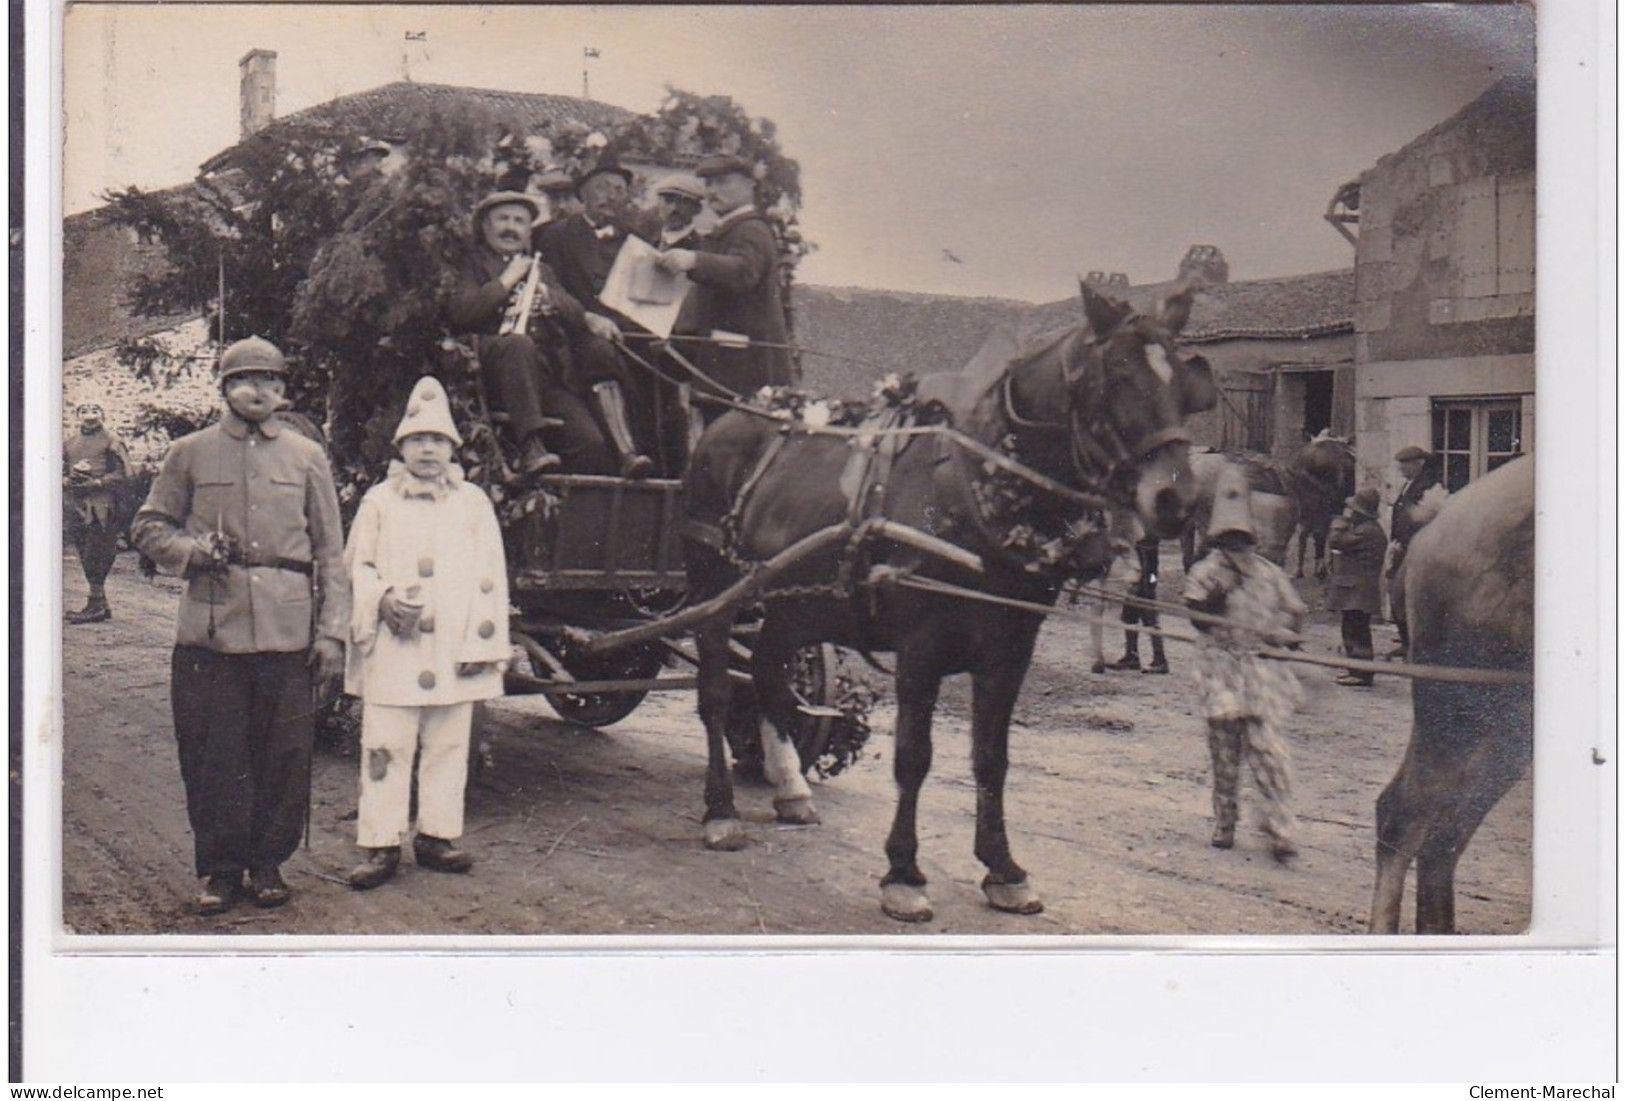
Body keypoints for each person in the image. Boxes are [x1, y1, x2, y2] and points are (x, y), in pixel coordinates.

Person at [131, 337, 348, 915]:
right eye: (245, 380)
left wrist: (332, 632)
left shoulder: (306, 457)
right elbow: (149, 527)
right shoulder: (190, 453)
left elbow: (331, 554)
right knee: (214, 755)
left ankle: (268, 863)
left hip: (288, 630)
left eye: (270, 381)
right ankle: (221, 869)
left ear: (283, 392)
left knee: (283, 754)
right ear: (223, 388)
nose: (258, 390)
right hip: (211, 632)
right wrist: (190, 550)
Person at [343, 376, 510, 890]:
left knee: (448, 745)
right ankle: (380, 841)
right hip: (398, 644)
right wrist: (383, 597)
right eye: (419, 440)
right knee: (386, 745)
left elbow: (491, 575)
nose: (429, 450)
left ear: (453, 448)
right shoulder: (379, 501)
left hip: (452, 647)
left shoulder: (472, 502)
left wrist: (481, 645)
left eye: (438, 440)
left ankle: (438, 835)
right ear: (402, 447)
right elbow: (356, 565)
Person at [447, 190, 621, 476]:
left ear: (529, 231)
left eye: (519, 221)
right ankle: (531, 445)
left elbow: (575, 312)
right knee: (518, 344)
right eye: (502, 219)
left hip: (543, 376)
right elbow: (462, 313)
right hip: (495, 370)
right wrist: (508, 279)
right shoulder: (471, 264)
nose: (510, 228)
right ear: (485, 227)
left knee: (590, 442)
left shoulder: (542, 269)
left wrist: (547, 294)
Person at [1181, 477, 1306, 862]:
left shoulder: (1268, 572)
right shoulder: (1205, 572)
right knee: (1225, 756)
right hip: (1221, 669)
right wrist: (1213, 604)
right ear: (1220, 542)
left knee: (1271, 754)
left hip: (1262, 672)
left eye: (1246, 540)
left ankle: (1280, 830)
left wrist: (1286, 635)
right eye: (1232, 541)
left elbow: (1297, 612)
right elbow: (1196, 618)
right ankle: (1225, 820)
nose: (1241, 549)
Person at [533, 161, 657, 476]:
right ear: (582, 194)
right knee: (598, 352)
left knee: (662, 364)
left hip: (626, 337)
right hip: (571, 336)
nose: (611, 196)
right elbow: (548, 287)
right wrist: (585, 316)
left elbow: (647, 300)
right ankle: (626, 451)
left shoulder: (637, 241)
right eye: (603, 187)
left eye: (619, 190)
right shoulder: (554, 236)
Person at [656, 154, 794, 410]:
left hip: (745, 370)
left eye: (722, 182)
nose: (712, 192)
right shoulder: (728, 229)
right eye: (708, 184)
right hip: (726, 363)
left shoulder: (751, 229)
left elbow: (743, 272)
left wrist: (694, 260)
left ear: (750, 185)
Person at [63, 402, 130, 624]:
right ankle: (99, 603)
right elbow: (60, 469)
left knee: (97, 552)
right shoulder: (69, 443)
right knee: (83, 551)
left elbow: (124, 474)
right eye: (84, 411)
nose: (90, 416)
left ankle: (96, 604)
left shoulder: (112, 441)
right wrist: (67, 480)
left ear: (103, 414)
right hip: (77, 505)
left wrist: (98, 482)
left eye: (95, 411)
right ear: (78, 415)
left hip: (103, 506)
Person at [1384, 444, 1445, 659]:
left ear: (1419, 464)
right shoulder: (1408, 484)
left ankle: (1415, 644)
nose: (1401, 469)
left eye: (1405, 464)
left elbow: (1428, 520)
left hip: (1415, 549)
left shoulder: (1430, 486)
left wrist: (1408, 542)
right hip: (1401, 548)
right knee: (1397, 595)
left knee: (1408, 596)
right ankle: (1406, 641)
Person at [1326, 487, 1387, 687]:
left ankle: (1361, 673)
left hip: (1358, 590)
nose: (1350, 512)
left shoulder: (1366, 531)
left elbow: (1335, 541)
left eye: (1352, 509)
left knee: (1356, 630)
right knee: (1353, 628)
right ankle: (1357, 671)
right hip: (1358, 589)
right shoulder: (1370, 529)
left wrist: (1340, 521)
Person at [1107, 535, 1169, 675]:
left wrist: (1148, 586)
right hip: (1138, 583)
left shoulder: (1148, 541)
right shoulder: (1140, 540)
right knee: (1129, 618)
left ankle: (1160, 660)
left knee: (1150, 620)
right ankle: (1131, 656)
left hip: (1145, 585)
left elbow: (1151, 570)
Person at [651, 172, 707, 250]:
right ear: (658, 205)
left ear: (697, 209)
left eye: (683, 203)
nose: (674, 208)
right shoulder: (650, 239)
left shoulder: (699, 248)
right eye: (668, 201)